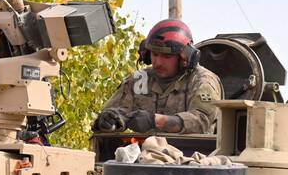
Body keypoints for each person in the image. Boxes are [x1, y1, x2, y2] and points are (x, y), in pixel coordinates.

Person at [94, 19, 223, 135]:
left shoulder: (202, 81)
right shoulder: (140, 80)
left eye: (166, 56)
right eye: (155, 54)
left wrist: (156, 120)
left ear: (185, 58)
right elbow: (117, 112)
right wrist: (109, 120)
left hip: (191, 157)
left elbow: (201, 121)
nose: (158, 62)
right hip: (143, 156)